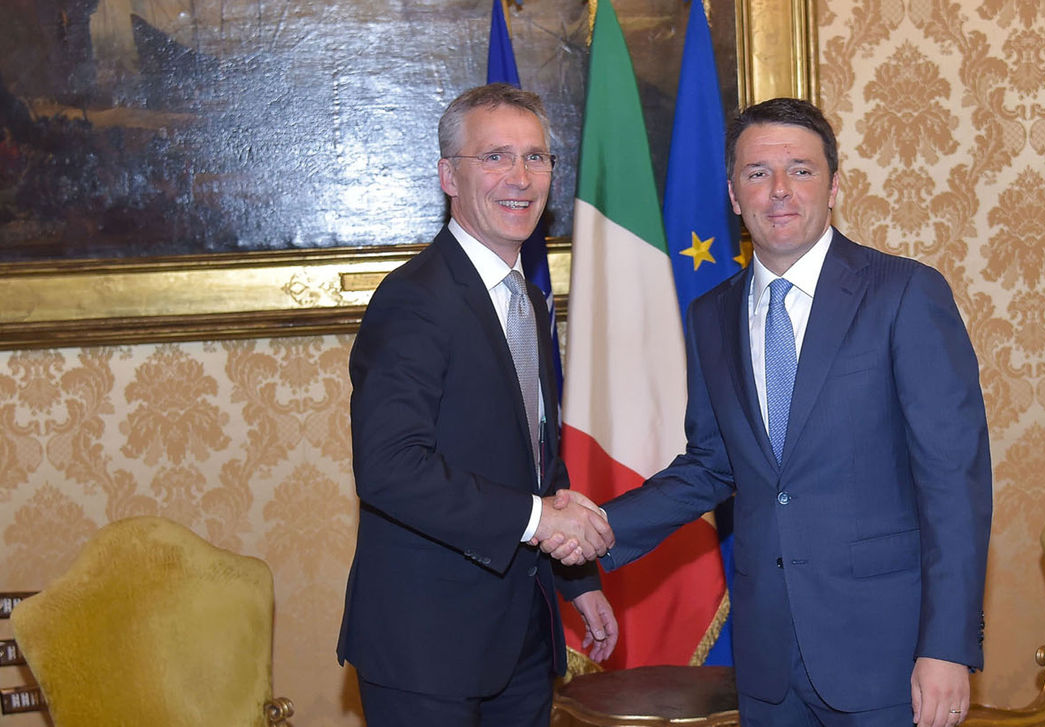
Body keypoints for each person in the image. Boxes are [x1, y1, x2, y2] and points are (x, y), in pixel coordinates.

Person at [547, 97, 991, 727]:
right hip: (767, 663)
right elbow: (712, 464)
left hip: (888, 656)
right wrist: (603, 526)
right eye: (758, 173)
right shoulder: (711, 315)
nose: (780, 189)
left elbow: (954, 484)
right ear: (734, 194)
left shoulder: (904, 294)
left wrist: (946, 648)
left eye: (801, 170)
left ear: (834, 187)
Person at [336, 83, 618, 727]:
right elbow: (389, 469)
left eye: (535, 157)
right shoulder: (414, 300)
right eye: (495, 157)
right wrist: (538, 521)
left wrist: (578, 581)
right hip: (427, 648)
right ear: (448, 177)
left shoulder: (529, 298)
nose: (520, 177)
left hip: (522, 638)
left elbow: (535, 455)